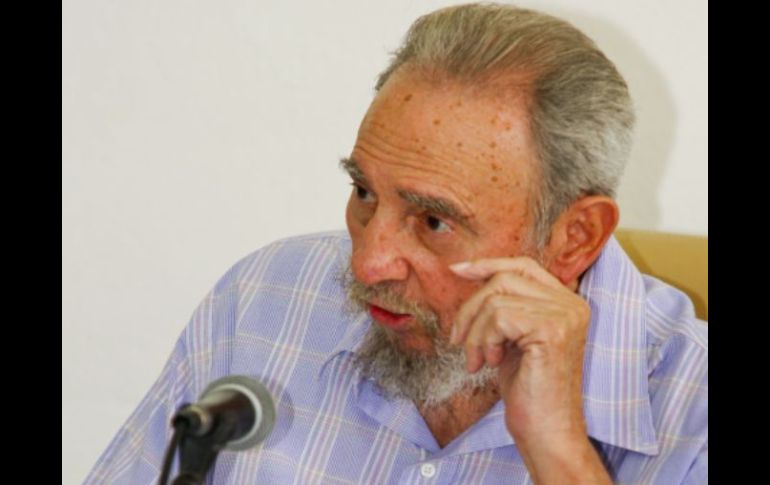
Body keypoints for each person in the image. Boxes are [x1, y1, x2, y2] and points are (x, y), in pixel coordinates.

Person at [85, 3, 707, 484]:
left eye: (434, 222)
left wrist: (559, 451)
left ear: (574, 238)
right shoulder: (261, 303)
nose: (367, 263)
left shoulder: (693, 409)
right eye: (363, 192)